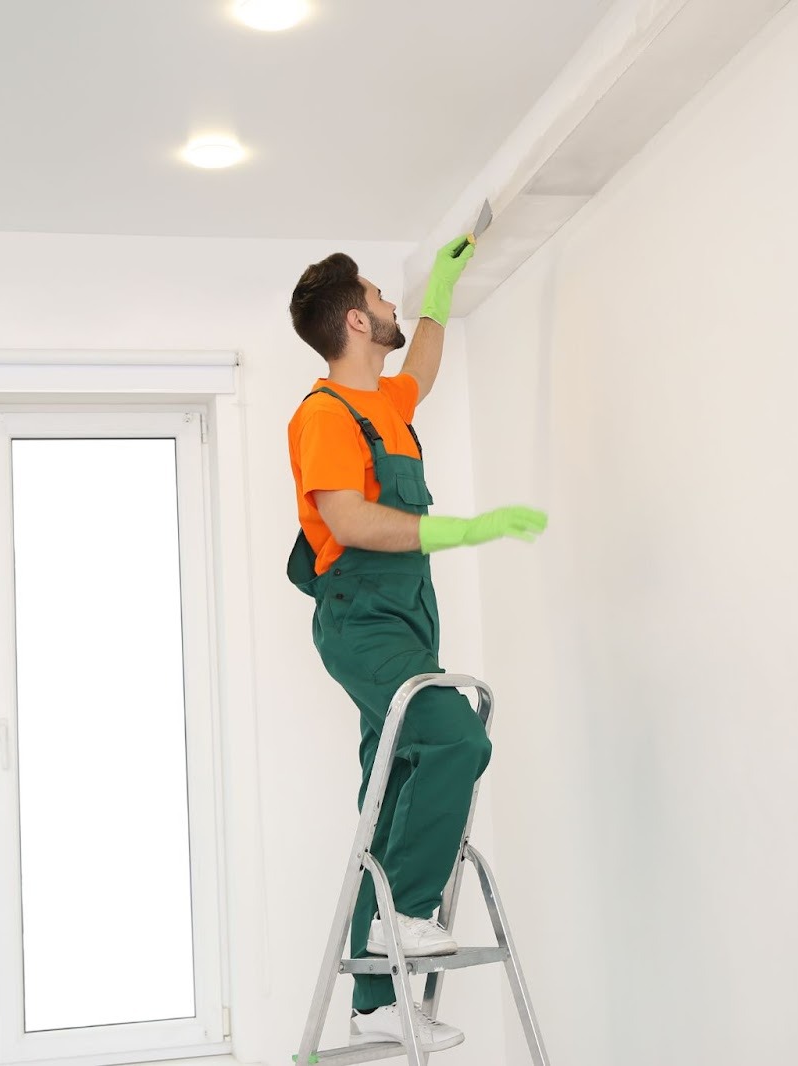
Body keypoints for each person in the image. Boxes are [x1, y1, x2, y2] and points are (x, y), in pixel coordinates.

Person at [285, 238, 548, 1051]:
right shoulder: (325, 414)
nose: (394, 307)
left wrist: (441, 289)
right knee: (454, 735)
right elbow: (349, 520)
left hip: (407, 617)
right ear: (358, 320)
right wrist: (465, 530)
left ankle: (372, 1000)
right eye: (384, 297)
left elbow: (422, 370)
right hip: (361, 618)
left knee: (394, 777)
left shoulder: (384, 407)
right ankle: (405, 915)